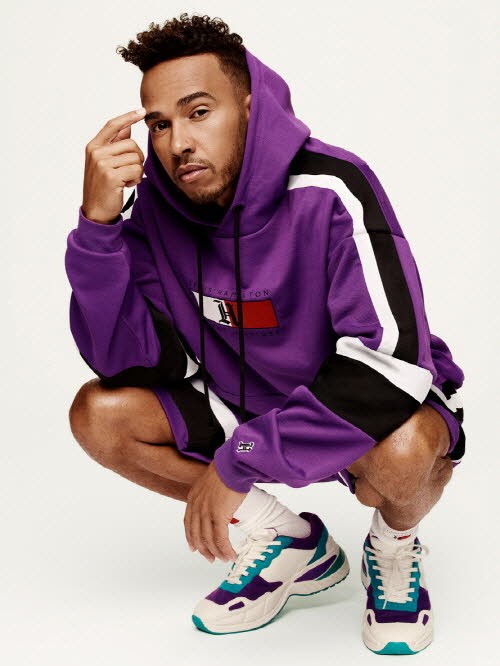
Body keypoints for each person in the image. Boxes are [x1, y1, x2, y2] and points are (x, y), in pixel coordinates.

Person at [65, 12, 466, 655]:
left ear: (251, 108)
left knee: (405, 453)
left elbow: (391, 362)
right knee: (100, 415)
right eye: (160, 124)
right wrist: (97, 229)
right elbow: (128, 362)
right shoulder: (157, 212)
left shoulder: (332, 187)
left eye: (199, 112)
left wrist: (241, 460)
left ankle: (392, 548)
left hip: (355, 409)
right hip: (242, 399)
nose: (178, 143)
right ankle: (290, 542)